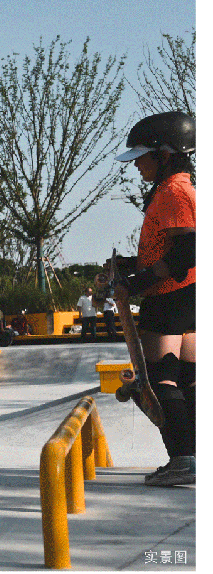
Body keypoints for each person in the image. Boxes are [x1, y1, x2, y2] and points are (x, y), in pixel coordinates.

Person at [110, 111, 196, 487]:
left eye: (142, 157)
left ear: (164, 154)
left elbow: (187, 251)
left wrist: (138, 282)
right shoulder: (180, 188)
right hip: (188, 294)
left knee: (161, 378)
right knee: (188, 378)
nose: (137, 166)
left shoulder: (174, 191)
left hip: (171, 295)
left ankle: (182, 460)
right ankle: (193, 456)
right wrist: (132, 265)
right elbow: (172, 248)